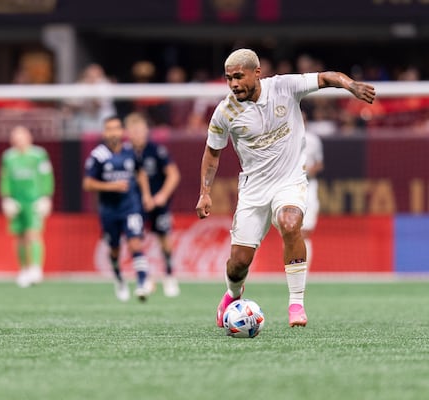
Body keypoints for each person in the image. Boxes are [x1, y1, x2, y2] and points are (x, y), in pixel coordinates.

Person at [195, 48, 375, 328]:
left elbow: (327, 77)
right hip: (253, 190)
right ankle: (232, 293)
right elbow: (212, 153)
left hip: (290, 181)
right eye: (229, 78)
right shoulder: (224, 112)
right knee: (238, 263)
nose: (233, 84)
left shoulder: (284, 87)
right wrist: (205, 192)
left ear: (257, 73)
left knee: (290, 224)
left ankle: (296, 304)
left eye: (239, 77)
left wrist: (351, 86)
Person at [83, 115, 154, 302]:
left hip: (130, 206)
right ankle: (119, 279)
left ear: (122, 131)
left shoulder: (131, 151)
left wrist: (146, 195)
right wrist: (111, 186)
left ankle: (141, 284)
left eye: (116, 128)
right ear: (104, 132)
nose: (113, 132)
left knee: (135, 243)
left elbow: (141, 173)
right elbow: (88, 184)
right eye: (109, 129)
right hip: (109, 210)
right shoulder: (98, 155)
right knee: (114, 249)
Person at [124, 112, 181, 297]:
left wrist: (162, 195)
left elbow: (174, 174)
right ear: (128, 133)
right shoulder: (125, 153)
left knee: (164, 239)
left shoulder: (156, 150)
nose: (138, 134)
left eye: (141, 130)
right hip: (135, 204)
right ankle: (145, 278)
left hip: (158, 203)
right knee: (135, 239)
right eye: (134, 131)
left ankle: (169, 275)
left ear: (147, 131)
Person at [0, 126, 54, 287]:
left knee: (33, 234)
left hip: (34, 200)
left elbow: (47, 176)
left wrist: (46, 196)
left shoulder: (39, 155)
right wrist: (6, 198)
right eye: (15, 137)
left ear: (29, 138)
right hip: (17, 201)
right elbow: (5, 178)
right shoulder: (8, 157)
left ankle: (36, 268)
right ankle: (23, 269)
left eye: (21, 137)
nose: (18, 140)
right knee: (20, 236)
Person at [302, 117, 324, 268]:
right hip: (289, 187)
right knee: (292, 234)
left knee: (305, 231)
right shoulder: (282, 138)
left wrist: (308, 171)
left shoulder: (313, 140)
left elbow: (319, 164)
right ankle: (293, 270)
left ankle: (303, 272)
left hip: (309, 186)